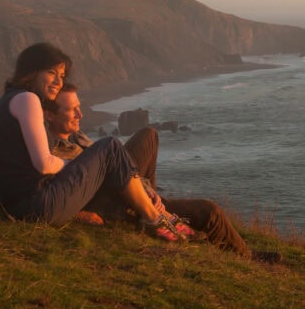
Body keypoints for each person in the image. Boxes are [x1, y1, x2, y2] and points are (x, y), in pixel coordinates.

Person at [43, 83, 280, 262]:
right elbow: (60, 196)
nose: (80, 115)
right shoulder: (53, 155)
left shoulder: (76, 135)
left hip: (130, 185)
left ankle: (155, 204)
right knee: (210, 213)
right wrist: (85, 216)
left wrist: (146, 188)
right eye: (72, 110)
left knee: (149, 135)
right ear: (50, 115)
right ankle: (247, 258)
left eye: (79, 107)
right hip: (121, 201)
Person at [0, 42, 187, 242]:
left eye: (61, 76)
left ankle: (150, 213)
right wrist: (75, 165)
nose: (58, 82)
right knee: (110, 147)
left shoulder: (11, 99)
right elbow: (43, 164)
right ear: (31, 72)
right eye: (51, 73)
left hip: (14, 206)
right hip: (36, 207)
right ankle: (153, 218)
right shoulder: (28, 99)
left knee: (111, 152)